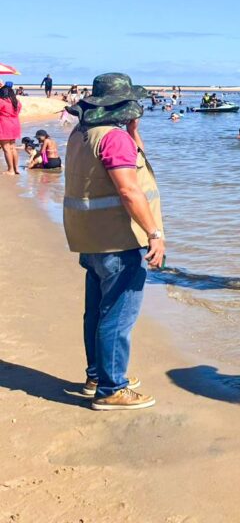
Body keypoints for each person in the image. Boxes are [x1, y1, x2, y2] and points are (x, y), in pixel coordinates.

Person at [63, 73, 165, 410]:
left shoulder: (82, 134)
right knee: (118, 315)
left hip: (90, 237)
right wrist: (154, 234)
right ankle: (112, 388)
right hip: (119, 239)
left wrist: (133, 131)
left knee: (96, 311)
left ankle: (97, 376)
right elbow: (129, 189)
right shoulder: (113, 138)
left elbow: (134, 161)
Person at [0, 82, 22, 175]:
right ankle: (16, 169)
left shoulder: (2, 101)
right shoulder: (16, 102)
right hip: (15, 125)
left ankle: (10, 170)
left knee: (6, 148)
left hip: (4, 125)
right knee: (13, 147)